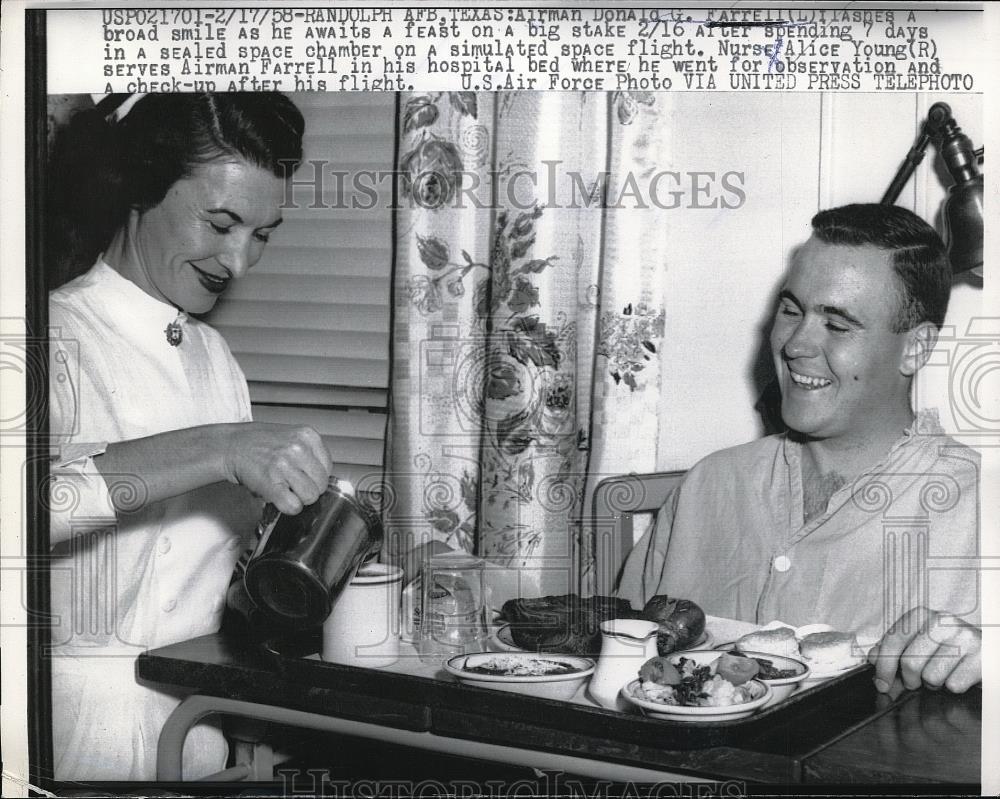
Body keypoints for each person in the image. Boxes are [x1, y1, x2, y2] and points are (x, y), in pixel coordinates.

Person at [47, 93, 333, 781]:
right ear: (141, 187)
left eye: (261, 234)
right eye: (222, 221)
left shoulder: (214, 359)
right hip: (75, 737)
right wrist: (223, 447)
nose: (238, 262)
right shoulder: (47, 333)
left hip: (197, 736)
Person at [618, 204, 981, 696]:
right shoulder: (709, 485)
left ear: (915, 348)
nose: (794, 344)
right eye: (791, 311)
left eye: (838, 325)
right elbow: (615, 668)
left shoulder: (982, 508)